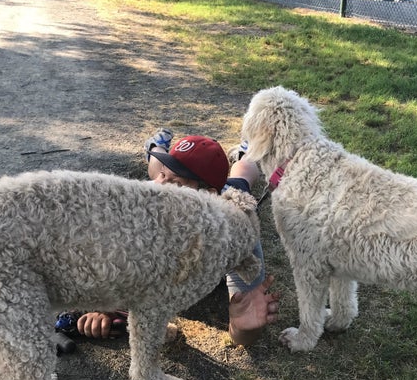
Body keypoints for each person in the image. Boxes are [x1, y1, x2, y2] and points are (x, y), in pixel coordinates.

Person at [62, 130, 280, 347]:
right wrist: (102, 307)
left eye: (175, 184)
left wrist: (242, 328)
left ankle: (247, 151)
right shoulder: (143, 202)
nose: (158, 188)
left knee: (242, 177)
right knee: (157, 167)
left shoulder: (236, 234)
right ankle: (156, 147)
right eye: (163, 177)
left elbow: (243, 334)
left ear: (206, 197)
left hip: (224, 200)